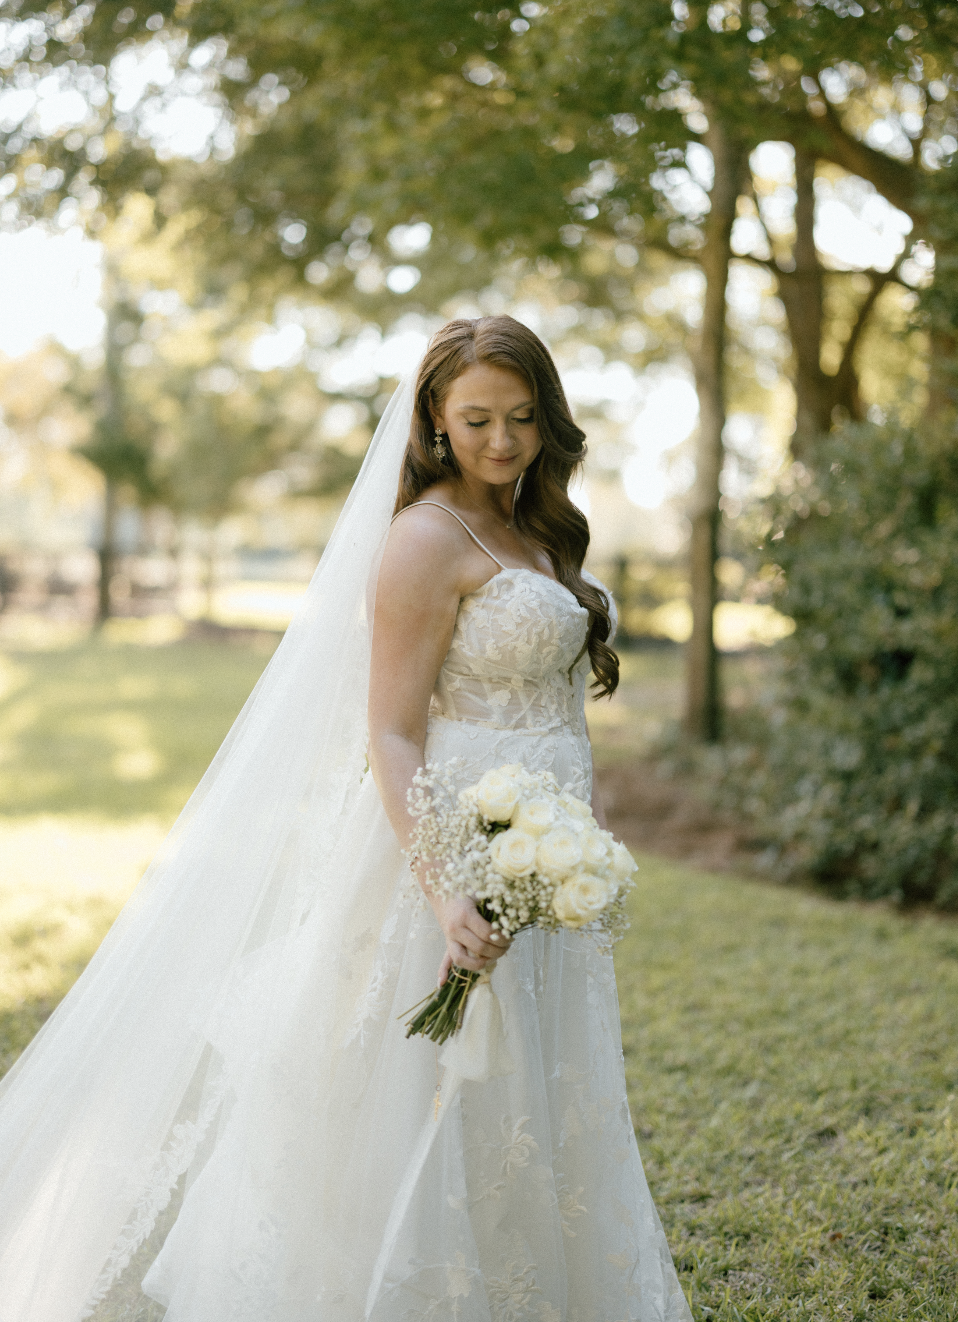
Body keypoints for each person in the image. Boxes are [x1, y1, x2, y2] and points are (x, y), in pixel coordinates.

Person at [0, 316, 691, 1321]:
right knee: (417, 1096)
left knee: (528, 1089)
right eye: (477, 420)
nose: (502, 441)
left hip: (540, 859)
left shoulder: (536, 528)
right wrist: (444, 883)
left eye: (523, 418)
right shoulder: (423, 538)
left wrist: (561, 838)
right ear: (434, 424)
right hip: (445, 849)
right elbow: (394, 731)